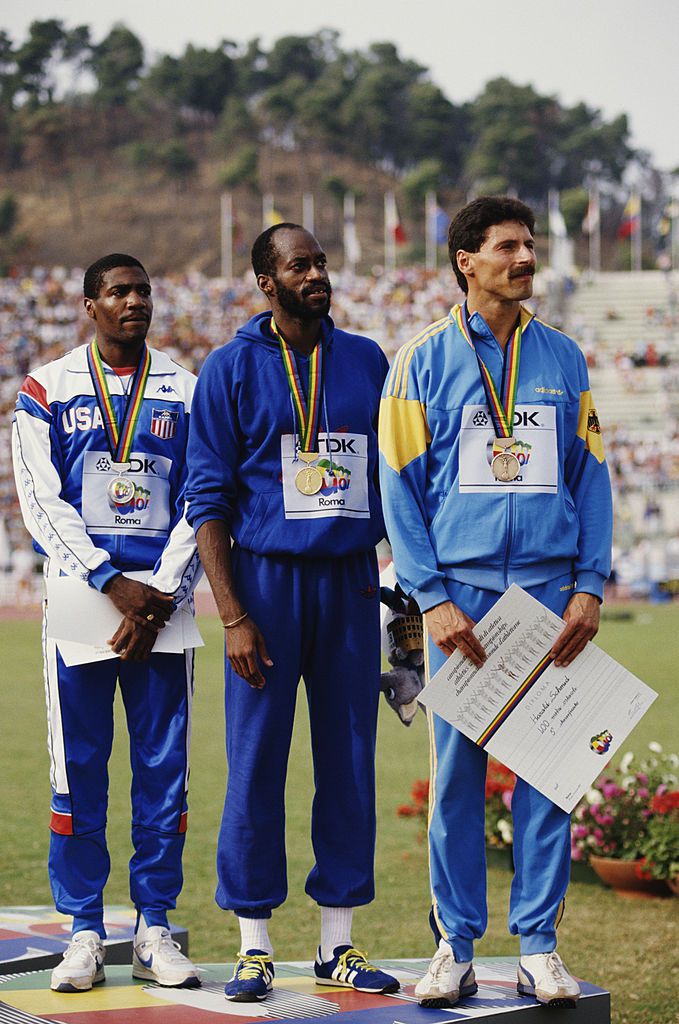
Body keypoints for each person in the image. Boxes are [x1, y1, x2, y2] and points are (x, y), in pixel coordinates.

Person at [379, 197, 612, 1009]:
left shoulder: (562, 358)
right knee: (455, 779)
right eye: (507, 246)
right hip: (464, 601)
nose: (525, 257)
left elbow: (591, 478)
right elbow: (399, 492)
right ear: (465, 262)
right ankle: (455, 944)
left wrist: (589, 583)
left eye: (528, 244)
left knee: (549, 775)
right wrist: (433, 600)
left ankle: (539, 947)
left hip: (550, 589)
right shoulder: (418, 362)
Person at [185, 224, 398, 1003]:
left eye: (320, 262)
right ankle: (252, 946)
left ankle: (336, 943)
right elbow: (206, 499)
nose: (317, 274)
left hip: (347, 580)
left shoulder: (366, 360)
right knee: (255, 763)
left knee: (348, 759)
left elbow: (398, 480)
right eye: (299, 265)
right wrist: (234, 615)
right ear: (265, 284)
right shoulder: (230, 367)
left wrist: (398, 602)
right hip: (264, 585)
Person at [12, 254, 201, 993]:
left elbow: (200, 496)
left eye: (144, 291)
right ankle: (85, 930)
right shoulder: (46, 387)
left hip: (163, 605)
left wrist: (156, 592)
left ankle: (154, 926)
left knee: (164, 773)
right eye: (118, 292)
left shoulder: (186, 389)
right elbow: (39, 498)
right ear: (89, 305)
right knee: (78, 771)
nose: (135, 302)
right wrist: (108, 581)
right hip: (84, 600)